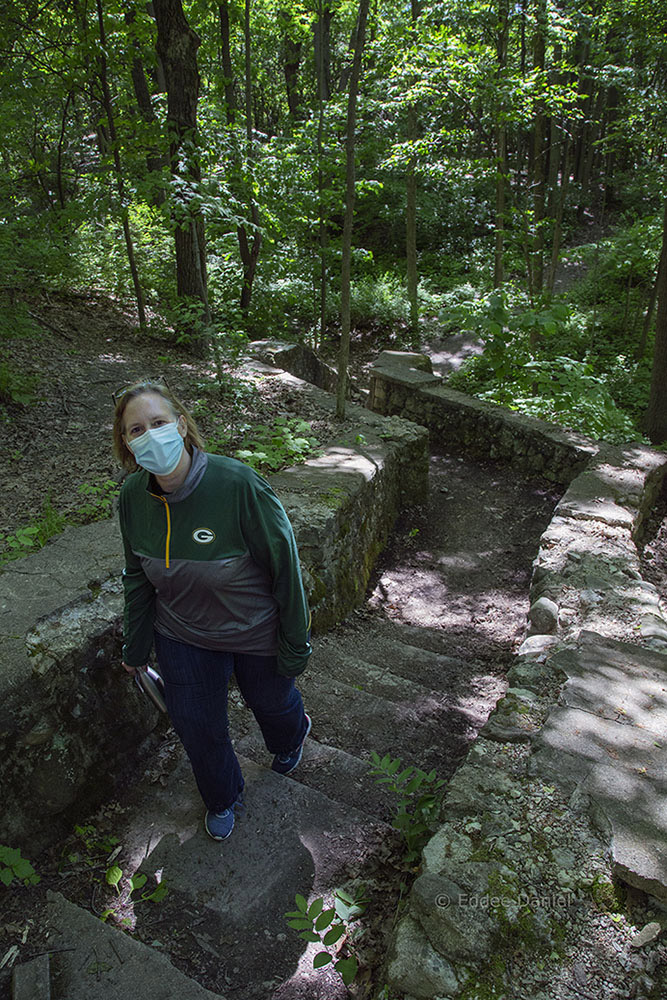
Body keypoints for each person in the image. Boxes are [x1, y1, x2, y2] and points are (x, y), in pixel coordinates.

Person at [112, 379, 312, 842]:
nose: (149, 435)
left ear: (181, 425)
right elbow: (137, 576)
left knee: (273, 704)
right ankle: (222, 796)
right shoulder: (131, 499)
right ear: (126, 442)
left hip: (254, 631)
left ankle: (291, 734)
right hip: (182, 635)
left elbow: (286, 567)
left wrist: (295, 642)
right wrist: (136, 643)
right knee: (197, 726)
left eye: (158, 423)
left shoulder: (237, 484)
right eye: (136, 429)